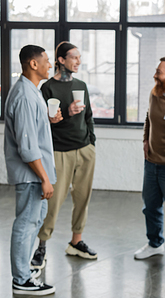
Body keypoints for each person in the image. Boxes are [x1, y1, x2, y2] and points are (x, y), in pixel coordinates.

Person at [30, 41, 97, 270]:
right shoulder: (47, 88)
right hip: (59, 152)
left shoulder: (82, 85)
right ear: (61, 60)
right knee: (53, 202)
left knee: (82, 199)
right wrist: (67, 114)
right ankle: (42, 247)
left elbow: (89, 117)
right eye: (74, 57)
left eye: (79, 57)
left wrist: (91, 143)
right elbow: (44, 125)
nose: (78, 61)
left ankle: (76, 242)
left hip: (84, 150)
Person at [4, 45, 57, 295]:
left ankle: (23, 270)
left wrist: (49, 119)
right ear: (33, 64)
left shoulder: (32, 92)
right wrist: (45, 179)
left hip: (37, 175)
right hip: (32, 176)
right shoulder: (25, 95)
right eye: (46, 60)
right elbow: (27, 147)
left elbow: (33, 130)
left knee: (33, 221)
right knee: (26, 224)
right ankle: (21, 279)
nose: (50, 65)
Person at [134, 56, 165, 271]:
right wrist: (146, 139)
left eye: (159, 72)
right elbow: (148, 118)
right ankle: (155, 244)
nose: (155, 75)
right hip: (151, 163)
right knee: (150, 207)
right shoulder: (154, 94)